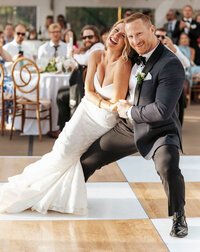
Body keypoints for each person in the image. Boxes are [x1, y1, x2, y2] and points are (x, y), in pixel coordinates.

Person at [0, 19, 132, 216]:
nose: (115, 36)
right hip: (85, 110)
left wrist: (98, 100)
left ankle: (50, 195)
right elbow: (88, 91)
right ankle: (29, 189)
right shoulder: (96, 55)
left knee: (68, 156)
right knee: (60, 151)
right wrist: (101, 101)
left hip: (101, 119)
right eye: (115, 30)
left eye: (122, 35)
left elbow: (117, 100)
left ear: (127, 42)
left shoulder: (124, 63)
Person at [80, 12, 188, 238]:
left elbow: (161, 110)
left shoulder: (171, 64)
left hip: (159, 130)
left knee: (167, 167)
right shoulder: (131, 56)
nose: (135, 40)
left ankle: (179, 216)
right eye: (130, 36)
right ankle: (72, 199)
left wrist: (128, 110)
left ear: (152, 29)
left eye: (139, 33)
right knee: (86, 161)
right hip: (128, 128)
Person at [53, 25, 104, 138]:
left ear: (96, 37)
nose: (86, 40)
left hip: (93, 90)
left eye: (89, 37)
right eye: (84, 37)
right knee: (61, 92)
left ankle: (64, 129)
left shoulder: (98, 47)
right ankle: (64, 128)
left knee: (62, 96)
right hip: (84, 86)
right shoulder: (91, 49)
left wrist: (74, 54)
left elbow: (85, 60)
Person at [155, 28, 190, 125]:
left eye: (163, 37)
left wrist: (173, 49)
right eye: (158, 36)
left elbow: (186, 63)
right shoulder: (151, 47)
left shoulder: (173, 47)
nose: (160, 39)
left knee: (179, 104)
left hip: (174, 80)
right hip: (158, 81)